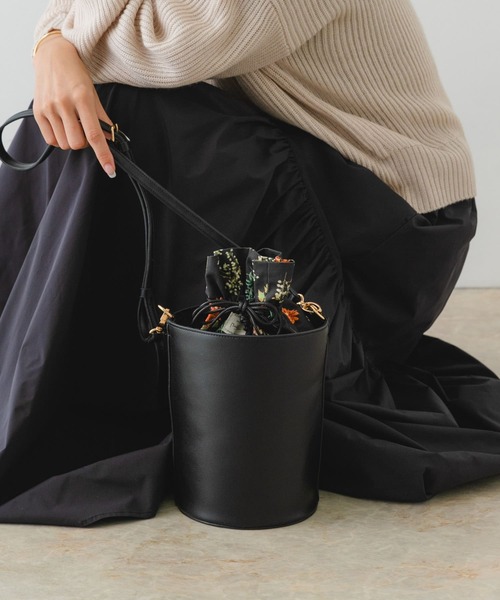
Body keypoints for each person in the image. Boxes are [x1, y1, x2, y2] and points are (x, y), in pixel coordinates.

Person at [0, 0, 498, 526]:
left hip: (391, 225)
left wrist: (59, 45)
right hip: (329, 173)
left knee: (112, 102)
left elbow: (171, 43)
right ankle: (39, 370)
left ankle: (55, 386)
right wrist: (53, 44)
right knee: (74, 107)